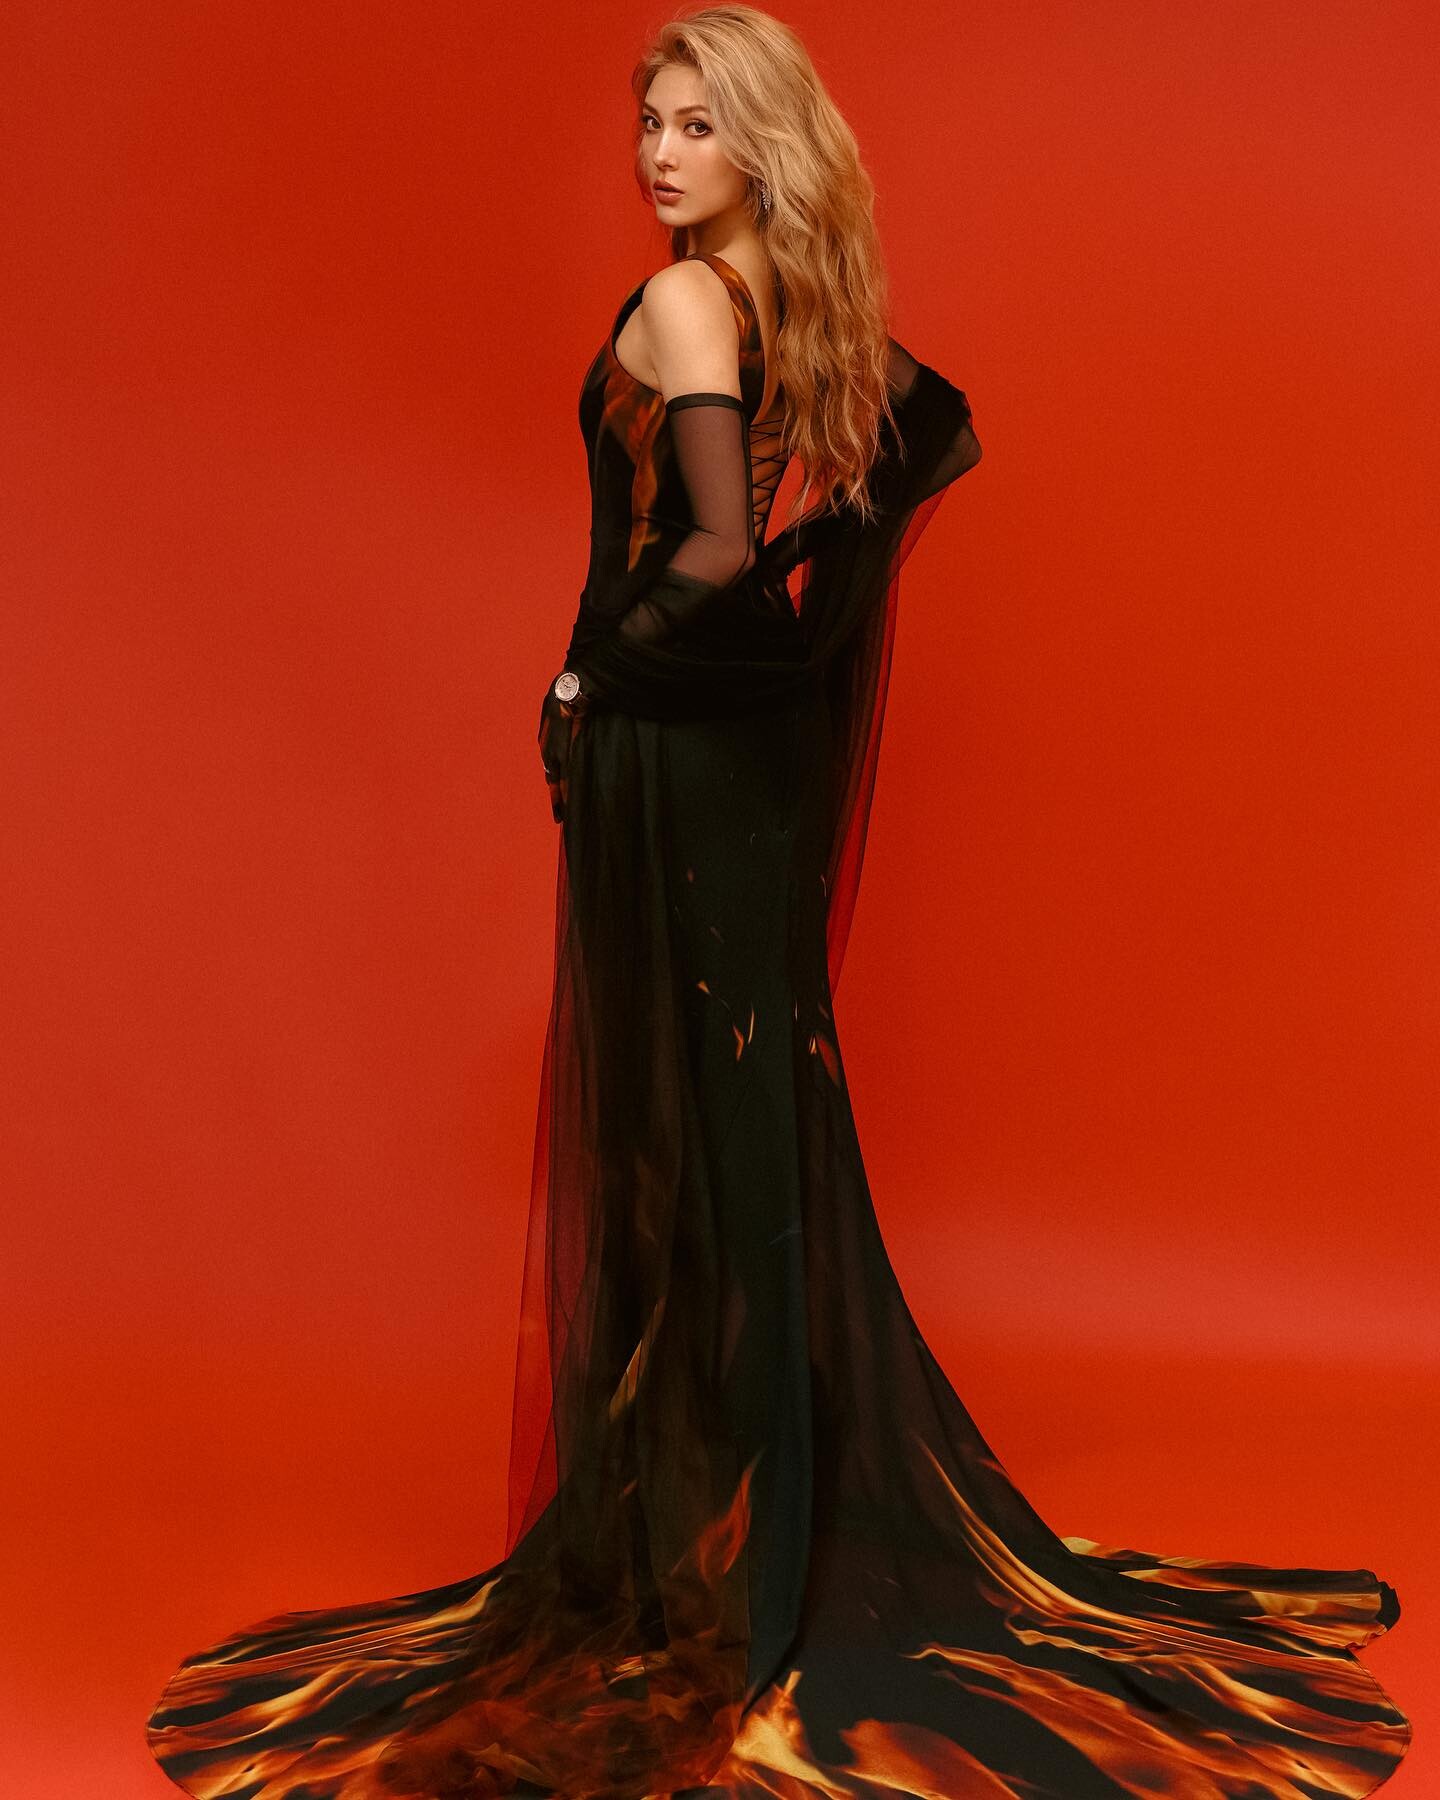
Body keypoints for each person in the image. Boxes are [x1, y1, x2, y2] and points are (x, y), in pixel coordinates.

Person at [145, 8, 1412, 1797]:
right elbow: (844, 500)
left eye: (695, 125)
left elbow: (719, 548)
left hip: (678, 759)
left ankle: (712, 1550)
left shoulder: (685, 305)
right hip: (740, 766)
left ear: (762, 142)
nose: (658, 156)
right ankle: (751, 1516)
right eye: (649, 123)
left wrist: (586, 681)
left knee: (685, 1140)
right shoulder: (796, 309)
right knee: (751, 1126)